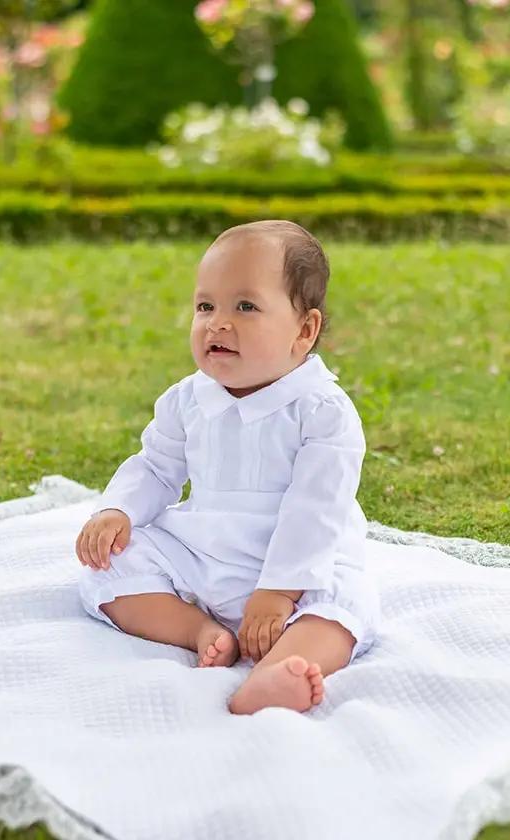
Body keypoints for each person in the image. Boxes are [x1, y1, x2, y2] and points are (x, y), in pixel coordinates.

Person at [76, 219, 381, 715]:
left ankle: (277, 672)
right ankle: (201, 630)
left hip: (296, 565)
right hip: (205, 551)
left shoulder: (322, 411)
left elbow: (316, 510)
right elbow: (156, 467)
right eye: (205, 306)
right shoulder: (187, 399)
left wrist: (279, 590)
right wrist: (119, 511)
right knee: (107, 565)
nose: (218, 323)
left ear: (304, 331)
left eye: (245, 306)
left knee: (343, 606)